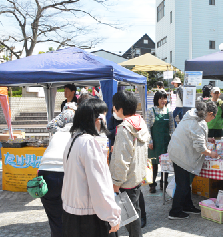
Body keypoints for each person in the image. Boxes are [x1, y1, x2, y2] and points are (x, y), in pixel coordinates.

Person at [62, 98, 120, 237]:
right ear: (97, 119)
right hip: (90, 217)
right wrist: (112, 216)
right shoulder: (89, 143)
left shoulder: (74, 139)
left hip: (72, 213)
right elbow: (99, 184)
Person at [39, 94, 92, 237]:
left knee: (55, 219)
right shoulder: (82, 134)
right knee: (70, 216)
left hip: (44, 174)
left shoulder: (59, 132)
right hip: (64, 173)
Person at [167, 101, 219, 219]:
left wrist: (207, 139)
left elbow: (194, 135)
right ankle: (175, 211)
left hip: (178, 151)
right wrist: (211, 154)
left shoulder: (192, 115)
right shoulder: (199, 123)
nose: (213, 119)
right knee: (182, 185)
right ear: (210, 113)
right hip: (181, 155)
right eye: (213, 117)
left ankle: (187, 206)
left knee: (185, 183)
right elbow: (200, 148)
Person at [109, 91, 150, 237]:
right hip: (136, 176)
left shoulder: (124, 128)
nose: (113, 110)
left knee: (130, 220)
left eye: (114, 107)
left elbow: (122, 159)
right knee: (135, 213)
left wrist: (116, 182)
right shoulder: (140, 122)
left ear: (120, 109)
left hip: (126, 181)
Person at [146, 90, 175, 193]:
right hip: (154, 143)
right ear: (156, 99)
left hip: (166, 142)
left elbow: (172, 128)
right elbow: (147, 128)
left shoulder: (169, 111)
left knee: (165, 164)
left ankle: (164, 183)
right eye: (161, 98)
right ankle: (152, 184)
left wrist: (173, 141)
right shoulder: (150, 111)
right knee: (153, 164)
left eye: (165, 98)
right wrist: (150, 141)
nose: (163, 100)